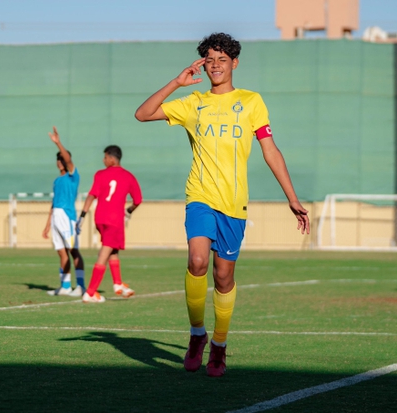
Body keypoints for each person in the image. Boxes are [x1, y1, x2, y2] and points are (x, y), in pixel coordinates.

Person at [134, 32, 310, 377]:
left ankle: (219, 344)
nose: (216, 66)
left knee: (223, 276)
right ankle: (197, 334)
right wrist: (177, 82)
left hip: (233, 204)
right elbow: (143, 114)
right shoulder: (193, 102)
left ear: (235, 63)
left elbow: (270, 150)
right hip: (199, 196)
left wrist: (292, 197)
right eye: (210, 60)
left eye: (222, 60)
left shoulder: (252, 101)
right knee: (197, 261)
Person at [76, 145, 143, 304]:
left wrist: (83, 216)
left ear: (112, 159)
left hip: (100, 219)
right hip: (114, 220)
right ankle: (90, 292)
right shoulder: (128, 176)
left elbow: (91, 196)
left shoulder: (100, 174)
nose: (103, 160)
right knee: (104, 253)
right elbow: (138, 200)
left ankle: (118, 283)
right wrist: (129, 211)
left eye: (105, 157)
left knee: (112, 249)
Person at [42, 126, 85, 297]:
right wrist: (47, 225)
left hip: (67, 218)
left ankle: (80, 286)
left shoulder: (73, 176)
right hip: (56, 219)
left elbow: (67, 158)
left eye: (62, 158)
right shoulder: (57, 181)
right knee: (61, 251)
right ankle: (65, 286)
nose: (60, 161)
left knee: (73, 250)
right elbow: (53, 205)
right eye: (58, 159)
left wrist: (58, 143)